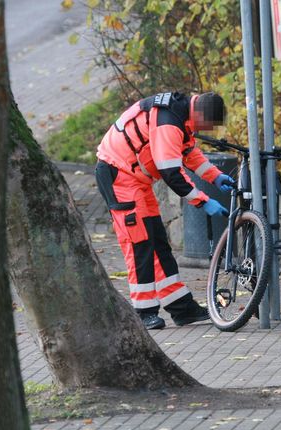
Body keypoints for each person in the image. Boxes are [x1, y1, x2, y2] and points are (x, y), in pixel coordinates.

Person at [95, 91, 235, 330]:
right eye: (208, 125)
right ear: (200, 113)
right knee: (139, 245)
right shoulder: (168, 121)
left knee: (158, 243)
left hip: (136, 180)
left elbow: (189, 153)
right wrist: (202, 201)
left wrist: (215, 176)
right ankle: (143, 312)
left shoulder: (182, 116)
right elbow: (170, 171)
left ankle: (181, 308)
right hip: (119, 178)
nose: (207, 130)